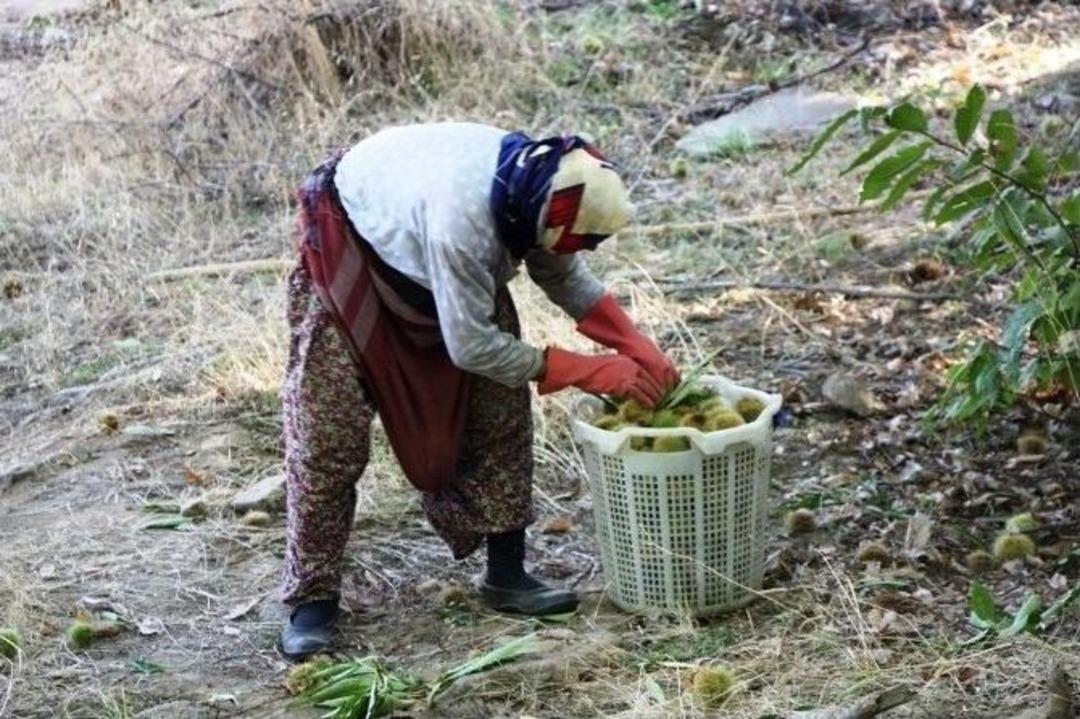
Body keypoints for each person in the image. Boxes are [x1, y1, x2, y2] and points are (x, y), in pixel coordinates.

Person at [279, 122, 678, 660]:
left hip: (435, 245)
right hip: (356, 250)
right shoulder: (463, 223)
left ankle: (507, 573)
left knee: (498, 410)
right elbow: (471, 347)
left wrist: (634, 344)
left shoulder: (541, 185)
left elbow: (561, 274)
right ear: (533, 216)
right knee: (329, 435)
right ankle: (313, 598)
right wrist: (586, 370)